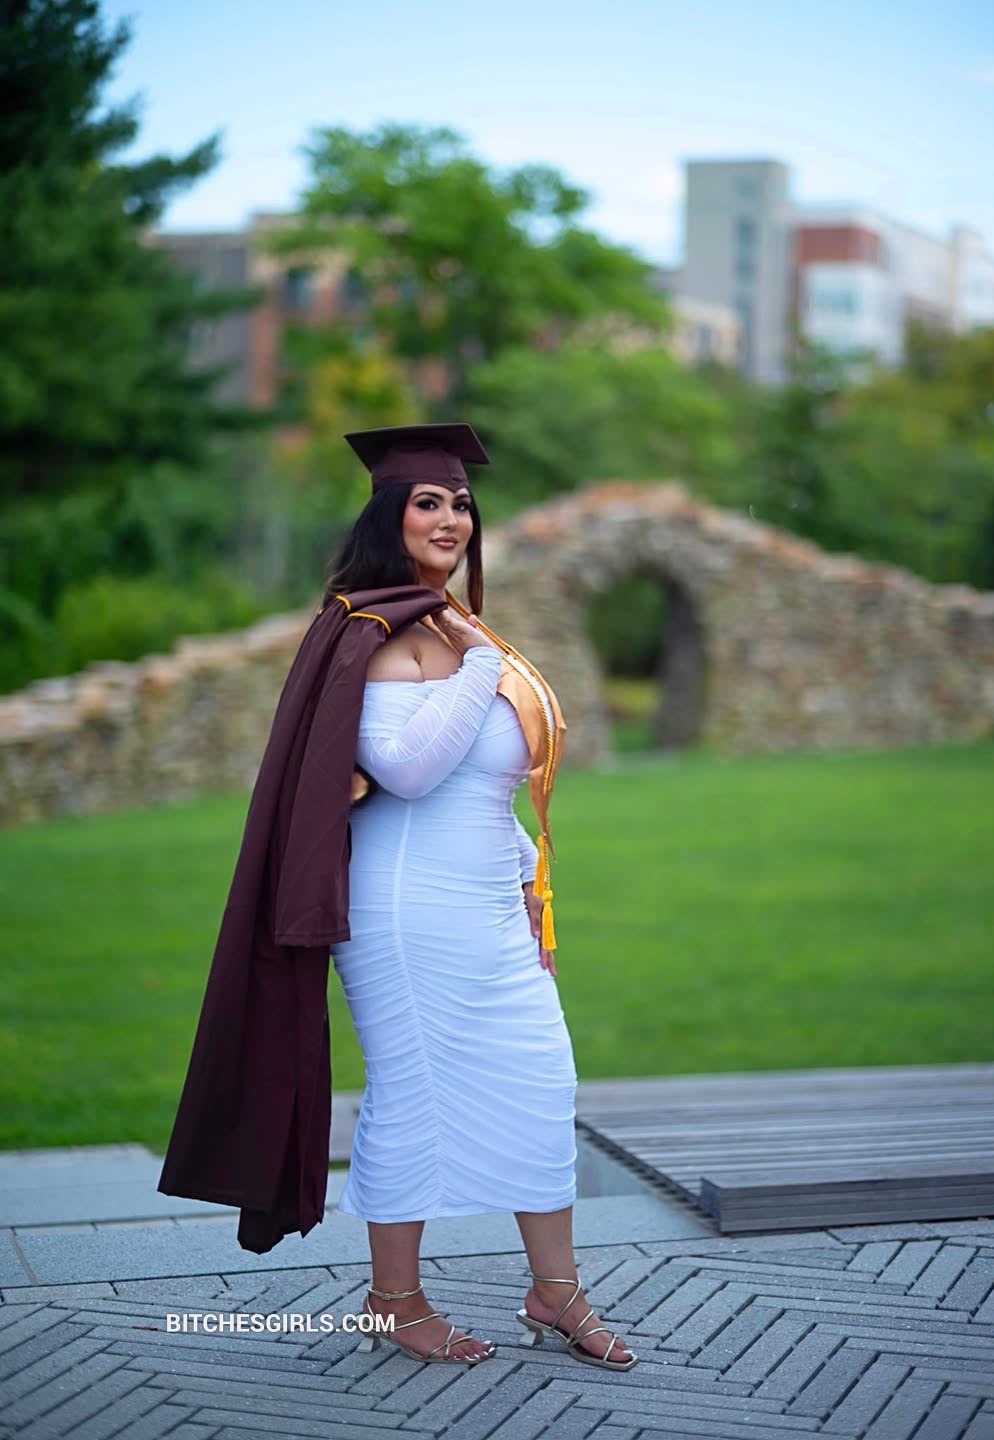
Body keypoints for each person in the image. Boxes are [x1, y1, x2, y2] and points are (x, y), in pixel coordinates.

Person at [327, 423, 638, 1371]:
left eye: (461, 504)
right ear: (389, 516)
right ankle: (394, 1300)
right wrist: (478, 668)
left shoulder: (456, 628)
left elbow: (485, 785)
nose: (451, 519)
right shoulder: (371, 631)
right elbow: (408, 772)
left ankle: (555, 1290)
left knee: (542, 1081)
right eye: (428, 502)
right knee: (412, 1091)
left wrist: (526, 881)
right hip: (402, 909)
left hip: (489, 904)